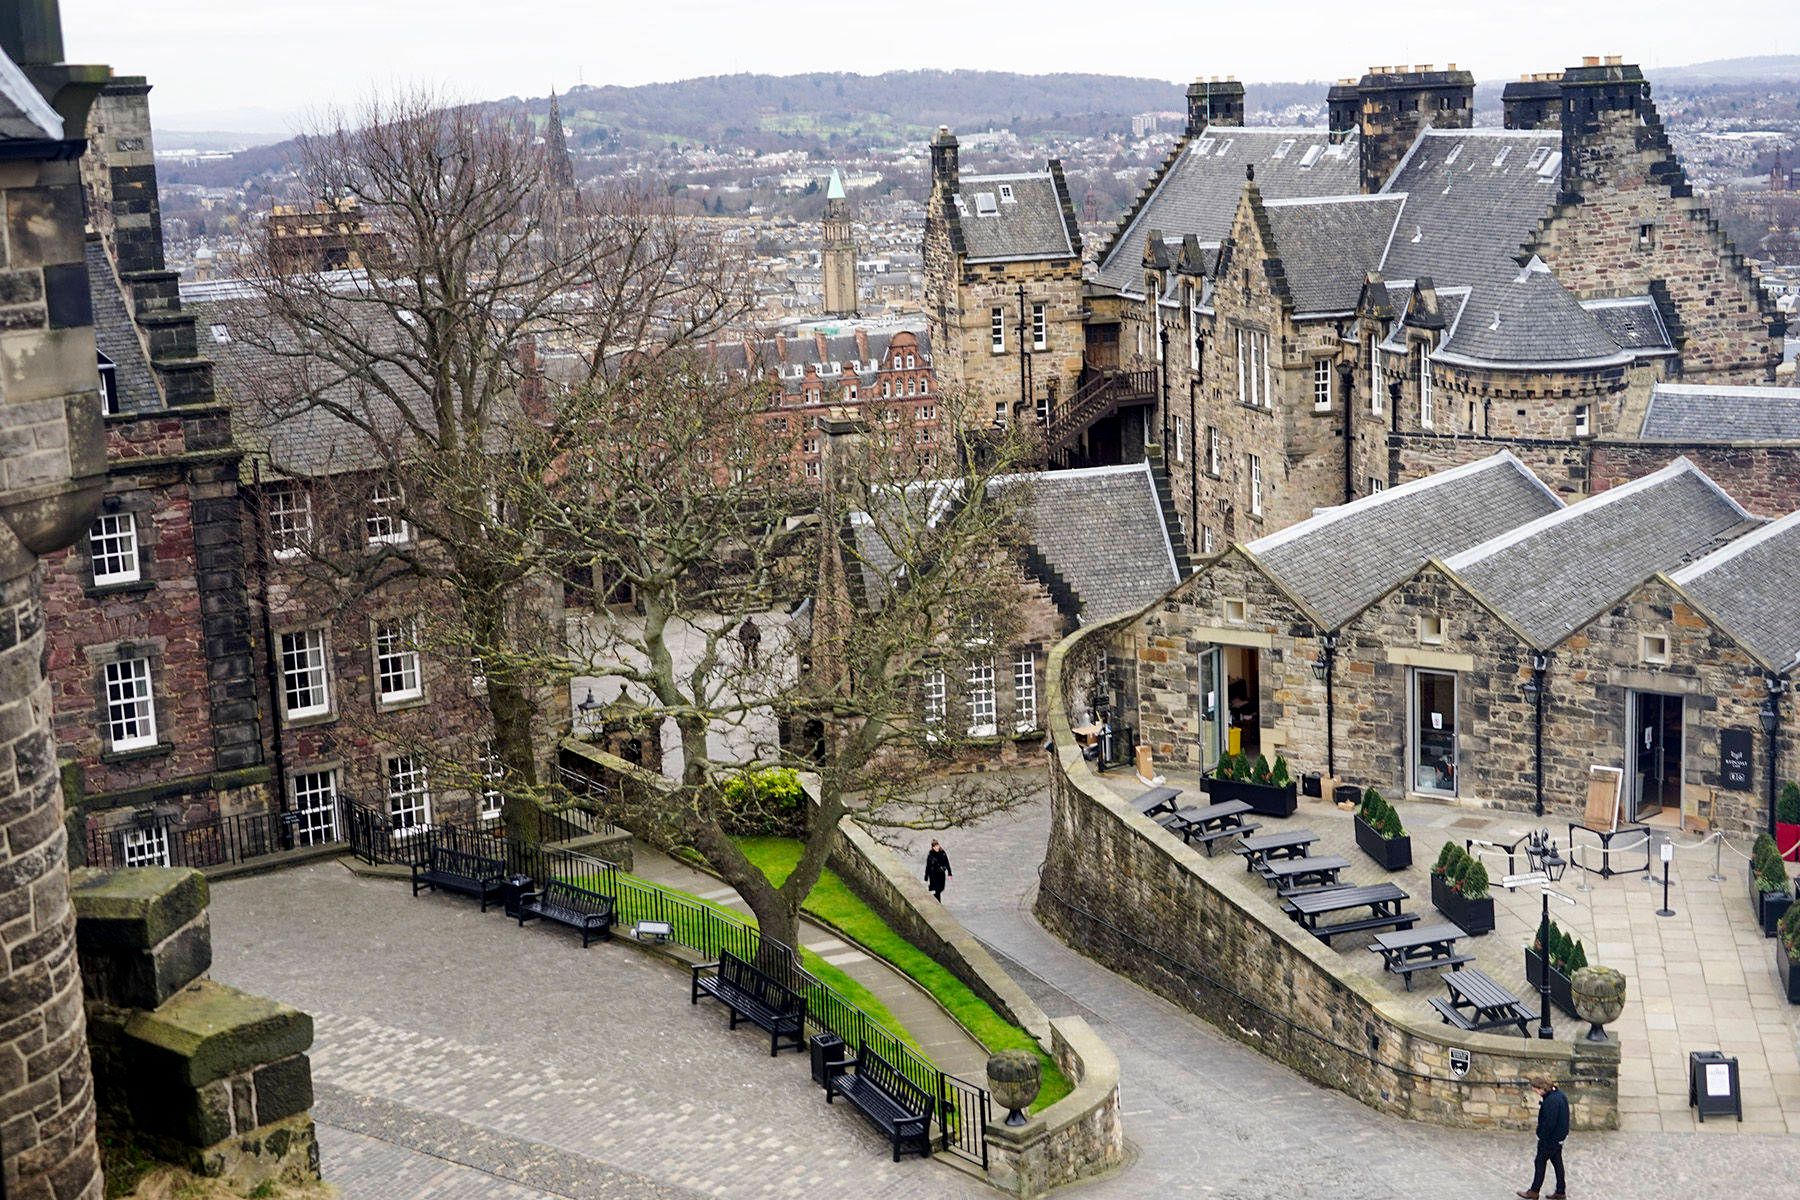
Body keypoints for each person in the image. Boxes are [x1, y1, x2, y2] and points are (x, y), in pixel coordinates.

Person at [1517, 1076, 1569, 1199]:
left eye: (1536, 1089)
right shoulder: (1559, 1095)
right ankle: (1560, 1191)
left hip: (1550, 1139)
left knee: (1540, 1162)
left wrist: (1541, 1135)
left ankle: (1534, 1191)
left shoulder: (1551, 1101)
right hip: (1558, 1137)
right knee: (1557, 1163)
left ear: (1541, 1088)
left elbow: (1549, 1123)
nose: (1535, 1092)